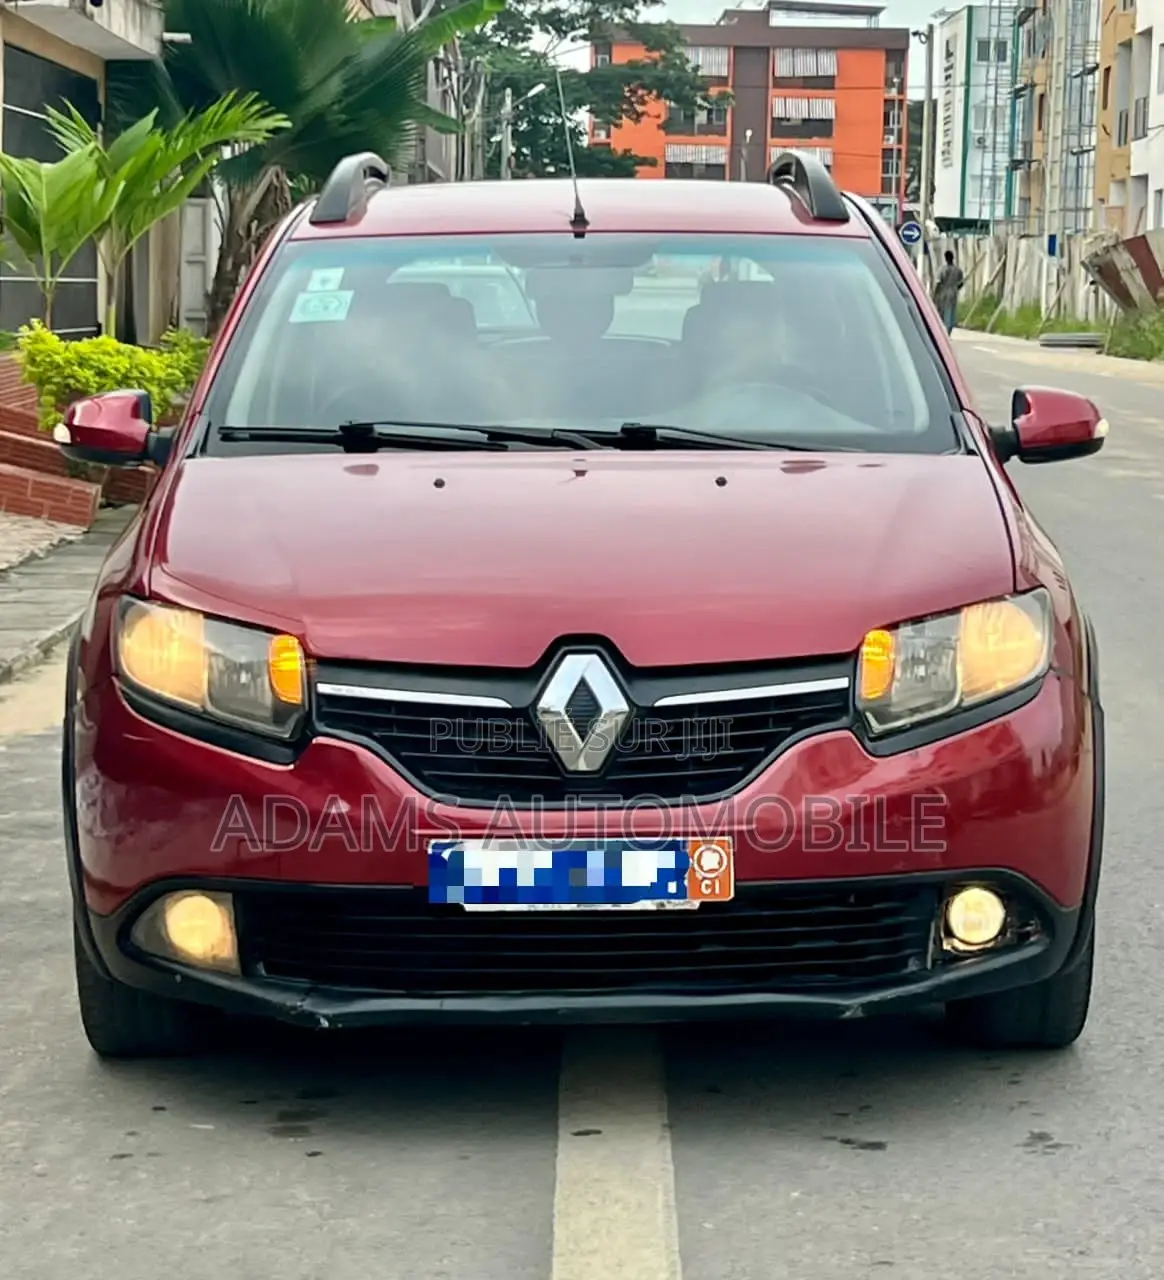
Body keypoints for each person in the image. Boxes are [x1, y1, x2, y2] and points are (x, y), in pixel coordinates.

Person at [933, 249, 965, 334]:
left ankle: (943, 329)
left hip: (943, 292)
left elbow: (938, 283)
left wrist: (935, 294)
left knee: (942, 310)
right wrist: (956, 289)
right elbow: (961, 283)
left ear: (945, 258)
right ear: (953, 258)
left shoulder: (942, 270)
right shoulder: (958, 270)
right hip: (953, 292)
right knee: (951, 311)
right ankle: (949, 330)